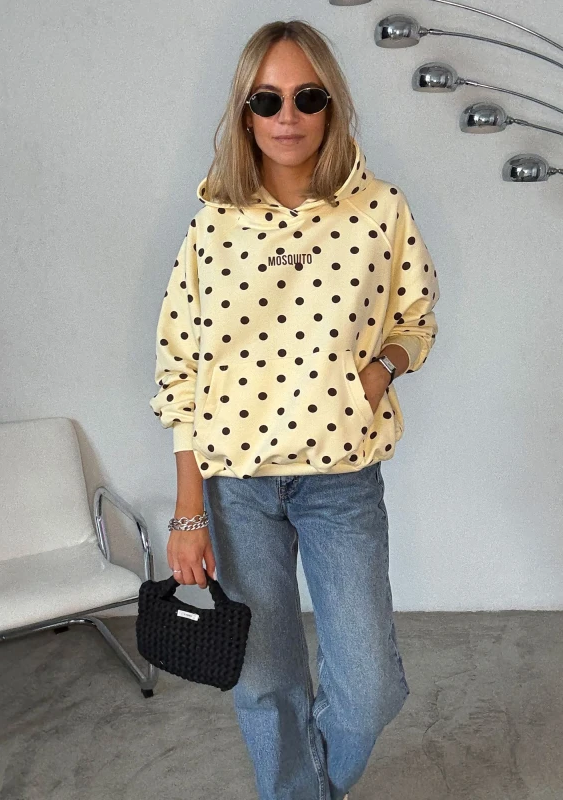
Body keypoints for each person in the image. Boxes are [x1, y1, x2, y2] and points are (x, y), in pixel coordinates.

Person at [149, 18, 440, 800]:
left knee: (368, 687)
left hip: (342, 481)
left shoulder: (380, 211)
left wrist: (381, 369)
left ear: (331, 105)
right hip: (237, 488)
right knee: (264, 681)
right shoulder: (213, 225)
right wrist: (188, 513)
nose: (288, 116)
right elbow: (180, 371)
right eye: (267, 99)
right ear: (245, 112)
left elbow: (416, 316)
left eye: (308, 97)